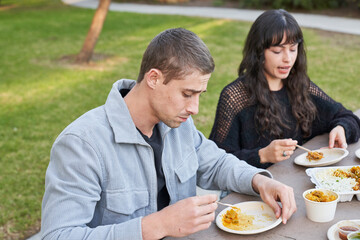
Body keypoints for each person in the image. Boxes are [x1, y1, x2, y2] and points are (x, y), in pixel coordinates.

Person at [41, 28, 296, 240]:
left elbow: (215, 163)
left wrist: (260, 181)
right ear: (153, 78)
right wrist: (157, 225)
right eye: (187, 94)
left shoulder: (177, 123)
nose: (194, 108)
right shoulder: (82, 144)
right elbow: (58, 235)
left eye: (199, 95)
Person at [209, 9, 360, 169]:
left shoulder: (299, 85)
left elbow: (346, 116)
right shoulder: (235, 96)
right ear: (259, 52)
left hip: (293, 181)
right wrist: (262, 155)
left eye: (293, 49)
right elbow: (215, 162)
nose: (288, 58)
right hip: (250, 189)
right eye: (277, 51)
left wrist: (341, 128)